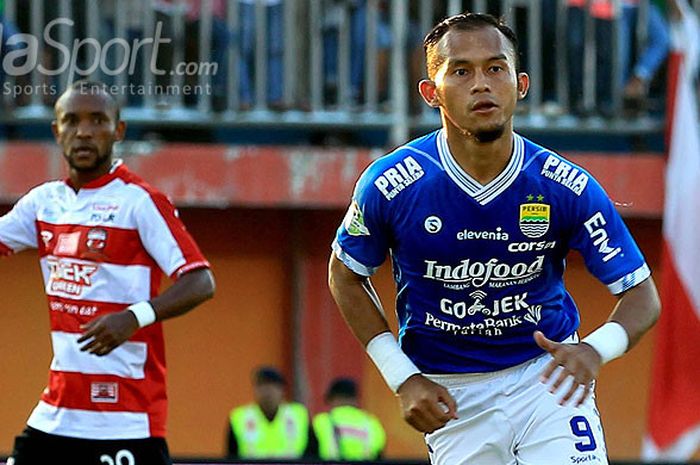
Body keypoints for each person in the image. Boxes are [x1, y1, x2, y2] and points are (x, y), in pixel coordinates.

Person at [328, 12, 660, 465]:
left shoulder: (564, 186)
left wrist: (594, 350)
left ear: (520, 84)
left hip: (547, 382)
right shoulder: (392, 183)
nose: (481, 84)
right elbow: (345, 275)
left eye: (495, 68)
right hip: (452, 394)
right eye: (461, 71)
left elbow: (642, 295)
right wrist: (402, 377)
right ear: (431, 92)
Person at [3, 80, 215, 464]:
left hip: (127, 420)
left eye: (98, 120)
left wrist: (133, 318)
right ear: (56, 131)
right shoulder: (43, 203)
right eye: (71, 120)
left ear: (118, 130)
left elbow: (200, 281)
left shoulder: (140, 202)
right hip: (58, 416)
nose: (84, 131)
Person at [227, 366, 318, 459]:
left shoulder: (299, 415)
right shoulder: (240, 417)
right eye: (261, 385)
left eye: (272, 386)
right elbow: (231, 457)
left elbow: (313, 453)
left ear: (282, 390)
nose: (267, 392)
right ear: (254, 389)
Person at [312, 377, 386, 461]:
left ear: (333, 398)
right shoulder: (372, 424)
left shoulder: (322, 421)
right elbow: (379, 457)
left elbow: (309, 457)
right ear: (356, 399)